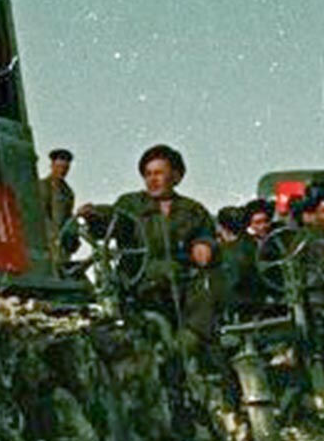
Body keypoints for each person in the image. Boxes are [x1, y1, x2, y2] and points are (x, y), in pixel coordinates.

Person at [100, 144, 218, 340]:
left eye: (158, 173)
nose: (152, 180)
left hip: (182, 289)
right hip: (139, 286)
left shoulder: (193, 210)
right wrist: (96, 216)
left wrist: (204, 245)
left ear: (176, 177)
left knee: (202, 313)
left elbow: (206, 235)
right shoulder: (130, 204)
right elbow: (112, 222)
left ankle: (190, 347)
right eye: (148, 174)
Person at [36, 148, 76, 261]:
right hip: (46, 241)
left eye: (66, 168)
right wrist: (54, 236)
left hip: (62, 243)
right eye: (60, 167)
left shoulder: (68, 192)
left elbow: (69, 216)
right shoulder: (43, 186)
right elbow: (41, 214)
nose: (62, 171)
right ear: (52, 166)